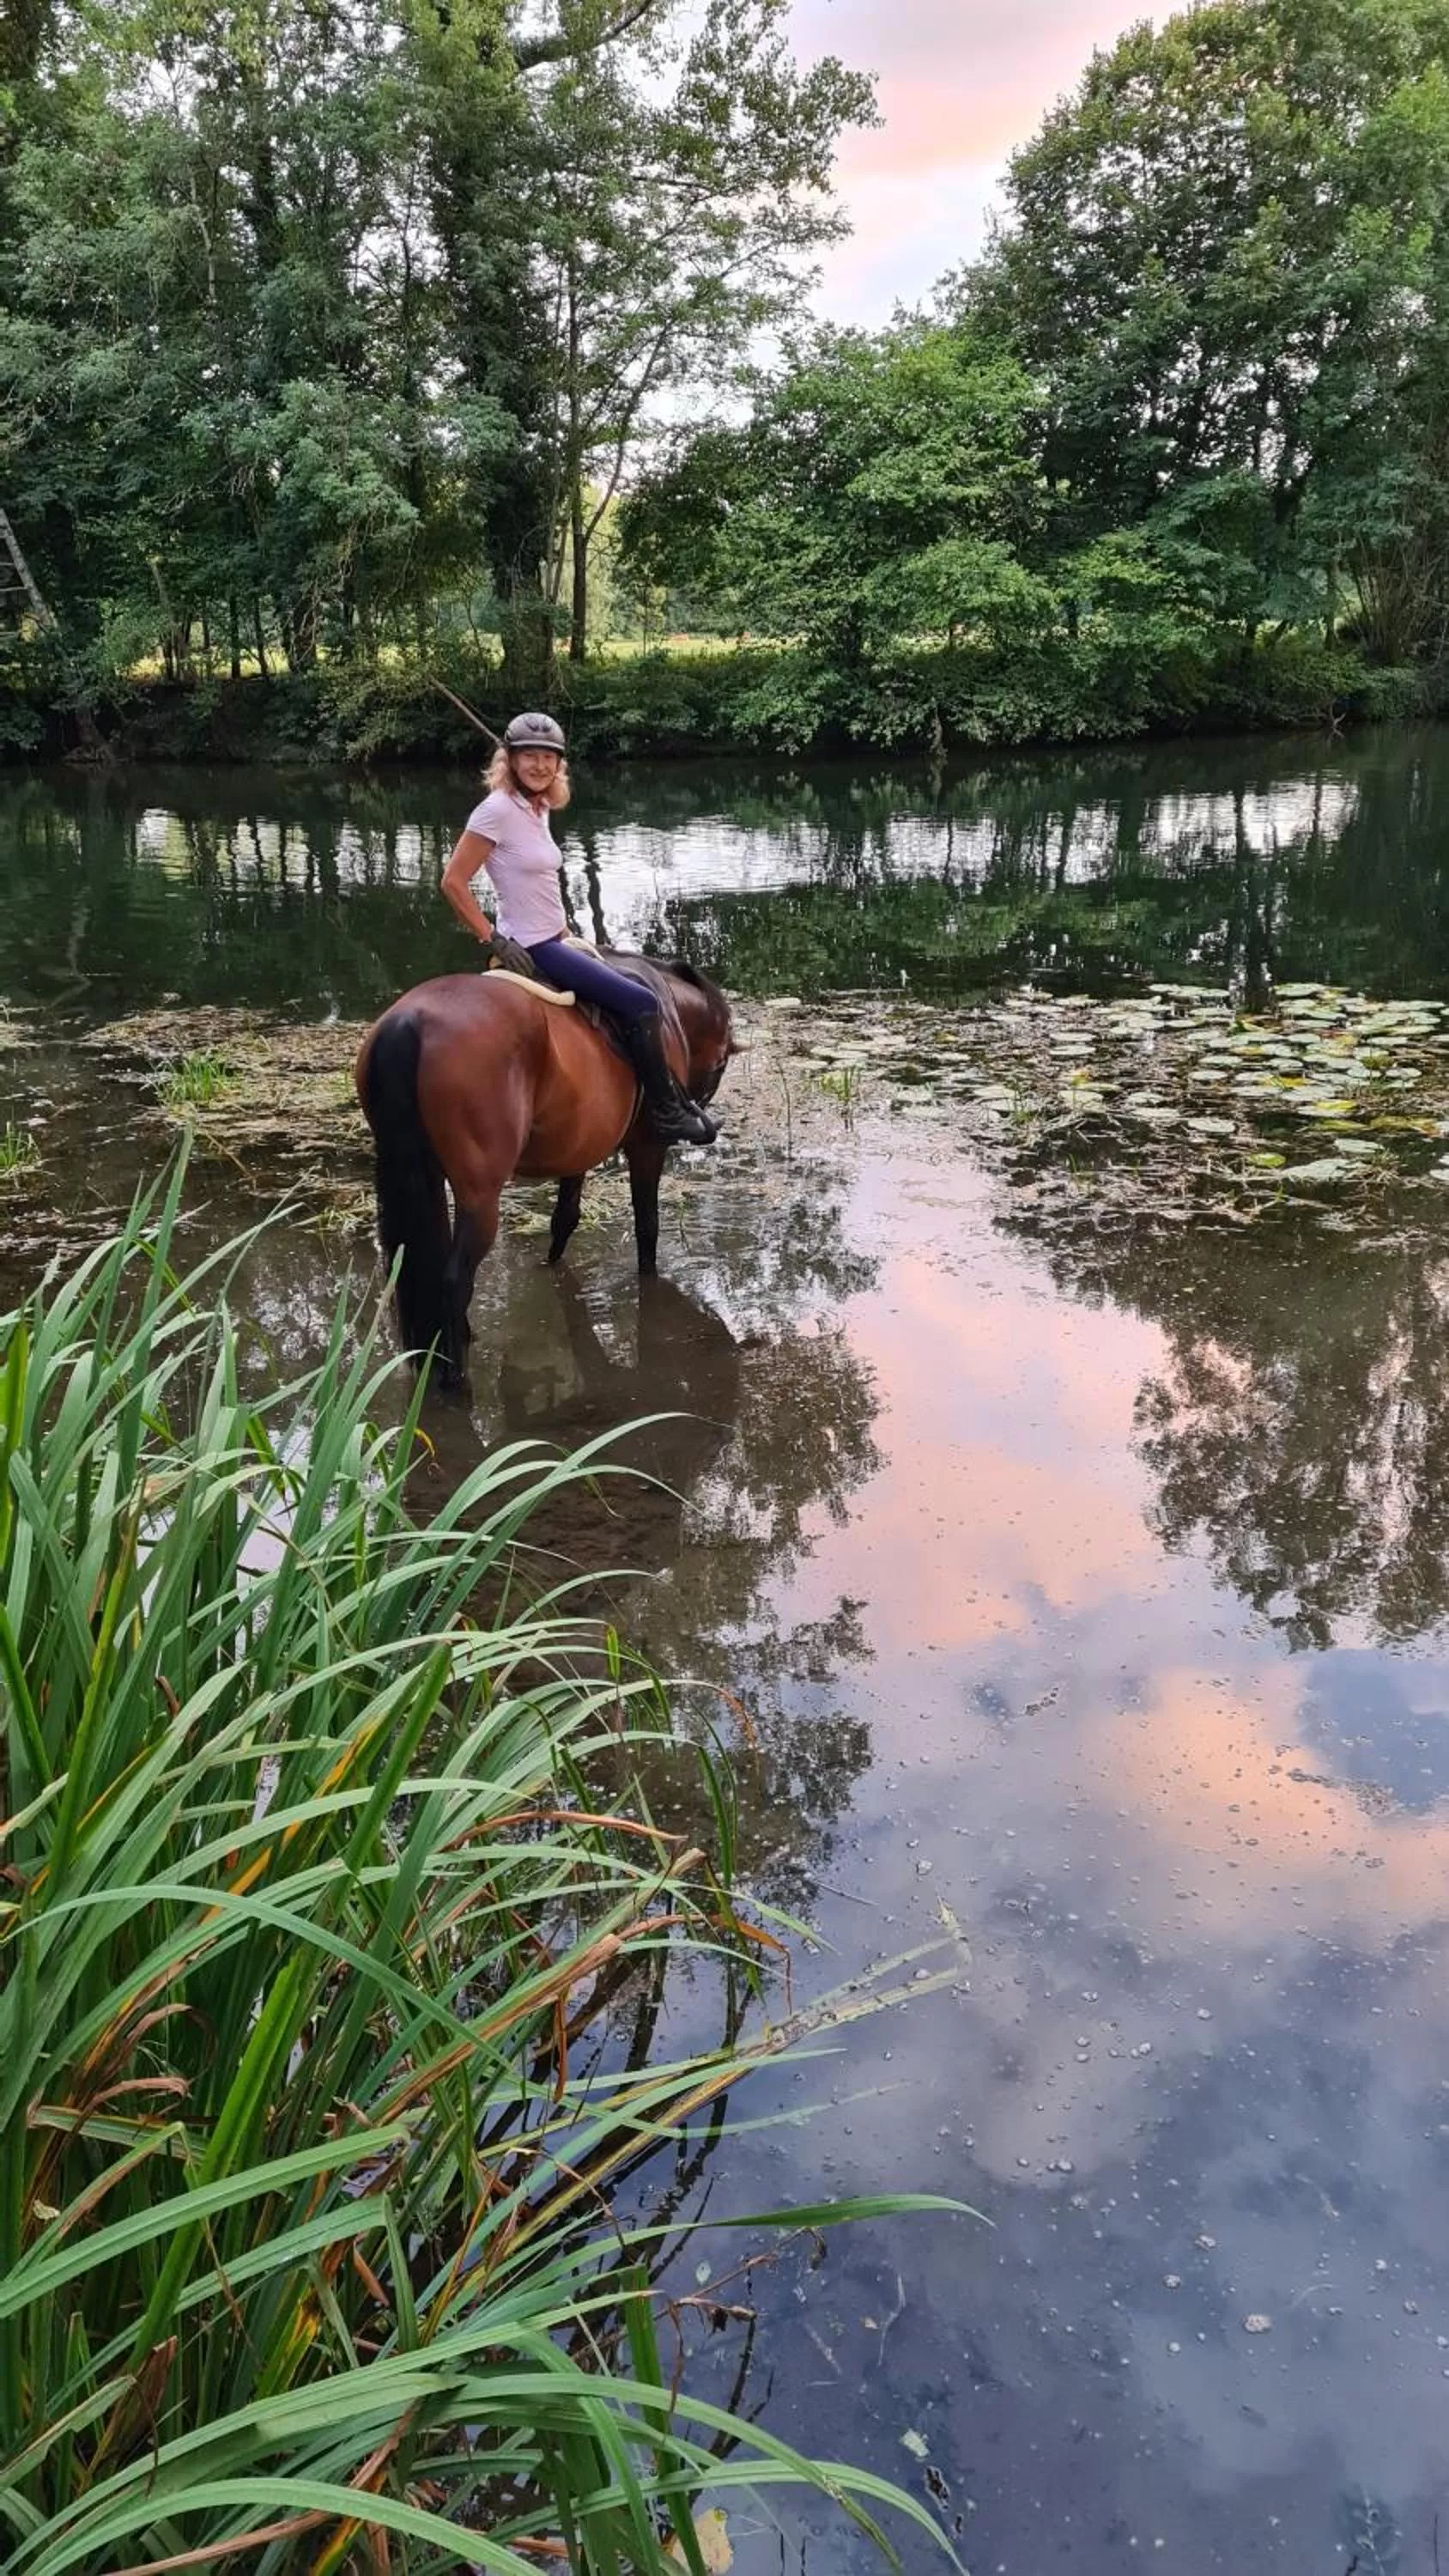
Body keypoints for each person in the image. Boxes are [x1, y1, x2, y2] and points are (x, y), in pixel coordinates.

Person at [440, 712, 718, 1148]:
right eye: (528, 757)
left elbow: (536, 879)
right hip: (532, 946)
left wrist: (565, 926)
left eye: (548, 758)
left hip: (555, 935)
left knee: (619, 986)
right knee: (642, 1002)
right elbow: (453, 882)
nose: (538, 766)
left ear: (559, 764)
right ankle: (666, 1113)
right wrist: (493, 938)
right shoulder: (495, 811)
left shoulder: (537, 807)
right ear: (509, 760)